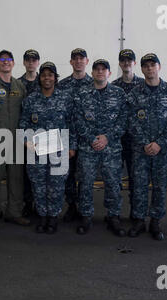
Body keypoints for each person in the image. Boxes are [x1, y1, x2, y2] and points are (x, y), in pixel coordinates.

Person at [127, 53, 167, 241]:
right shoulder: (135, 93)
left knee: (159, 187)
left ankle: (156, 222)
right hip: (140, 151)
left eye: (153, 65)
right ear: (141, 69)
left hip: (163, 151)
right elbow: (131, 121)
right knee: (139, 186)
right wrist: (145, 143)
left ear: (159, 67)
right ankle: (139, 220)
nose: (150, 69)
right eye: (146, 66)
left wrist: (159, 143)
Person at [72, 59, 127, 236]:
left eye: (104, 69)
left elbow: (123, 120)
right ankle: (86, 216)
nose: (100, 72)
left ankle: (113, 216)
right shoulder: (82, 93)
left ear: (109, 73)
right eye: (97, 69)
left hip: (111, 149)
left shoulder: (119, 94)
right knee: (86, 183)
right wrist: (91, 138)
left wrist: (107, 137)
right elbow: (77, 119)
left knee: (113, 183)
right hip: (88, 148)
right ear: (92, 72)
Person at [19, 62, 76, 233]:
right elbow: (22, 124)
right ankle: (42, 217)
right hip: (36, 151)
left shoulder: (65, 99)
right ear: (39, 78)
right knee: (38, 185)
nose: (47, 78)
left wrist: (72, 147)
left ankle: (53, 218)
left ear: (55, 78)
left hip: (59, 151)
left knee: (56, 185)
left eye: (50, 75)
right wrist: (27, 142)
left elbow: (72, 125)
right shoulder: (30, 100)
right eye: (43, 75)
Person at [0, 50, 30, 233]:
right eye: (2, 60)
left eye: (9, 60)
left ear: (13, 63)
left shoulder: (20, 86)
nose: (6, 63)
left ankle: (14, 212)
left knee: (16, 178)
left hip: (16, 137)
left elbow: (24, 111)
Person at [58, 48, 94, 223]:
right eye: (75, 59)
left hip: (87, 139)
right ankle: (72, 206)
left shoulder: (94, 83)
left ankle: (85, 208)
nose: (78, 61)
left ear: (87, 62)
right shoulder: (63, 85)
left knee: (86, 176)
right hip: (67, 137)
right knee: (68, 174)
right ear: (71, 62)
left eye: (82, 58)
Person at [111, 49, 144, 219]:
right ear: (119, 63)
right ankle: (114, 213)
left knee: (136, 180)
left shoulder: (143, 85)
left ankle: (135, 214)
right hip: (117, 141)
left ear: (134, 63)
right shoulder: (114, 86)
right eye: (123, 60)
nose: (126, 63)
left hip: (137, 141)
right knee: (115, 178)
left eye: (129, 60)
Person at [18, 49, 41, 217]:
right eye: (28, 60)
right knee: (26, 173)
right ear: (24, 62)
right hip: (25, 135)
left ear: (38, 62)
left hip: (45, 136)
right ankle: (28, 203)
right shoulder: (17, 84)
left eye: (34, 60)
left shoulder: (46, 80)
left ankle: (42, 205)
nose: (31, 62)